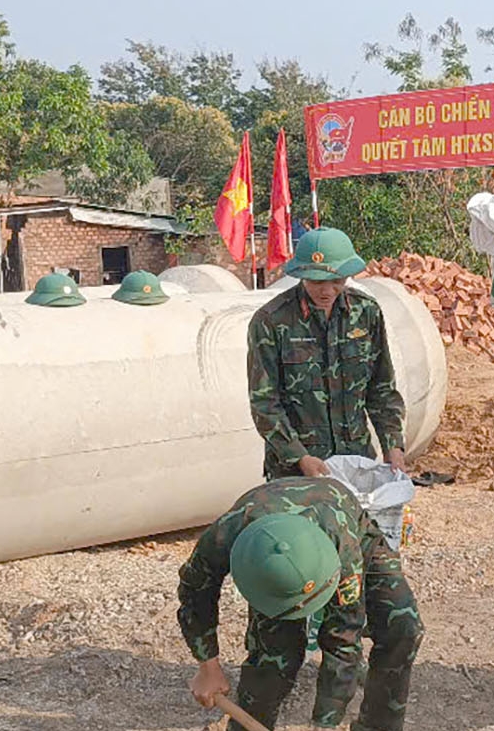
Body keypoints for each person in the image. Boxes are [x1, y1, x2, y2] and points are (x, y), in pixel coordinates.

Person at [178, 476, 422, 731]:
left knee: (404, 628)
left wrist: (324, 723)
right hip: (275, 560)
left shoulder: (344, 549)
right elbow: (195, 594)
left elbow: (343, 640)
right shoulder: (225, 534)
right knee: (276, 654)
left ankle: (376, 726)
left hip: (346, 531)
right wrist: (208, 665)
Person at [248, 227, 407, 481]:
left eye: (337, 281)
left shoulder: (365, 313)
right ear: (301, 276)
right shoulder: (272, 321)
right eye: (317, 282)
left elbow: (382, 389)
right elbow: (265, 403)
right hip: (296, 471)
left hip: (357, 462)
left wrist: (393, 445)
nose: (327, 291)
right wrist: (299, 457)